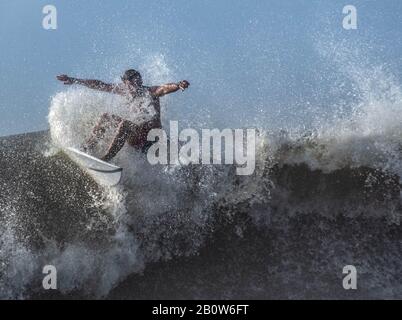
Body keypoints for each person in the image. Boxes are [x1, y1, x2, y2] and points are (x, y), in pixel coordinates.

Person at [56, 69, 190, 161]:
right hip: (136, 139)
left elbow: (164, 88)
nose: (136, 86)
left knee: (125, 124)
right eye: (133, 83)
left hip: (151, 141)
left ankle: (107, 158)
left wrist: (178, 85)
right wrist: (75, 80)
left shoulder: (150, 92)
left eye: (139, 82)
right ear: (126, 83)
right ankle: (86, 148)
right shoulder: (124, 90)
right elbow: (100, 85)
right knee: (107, 117)